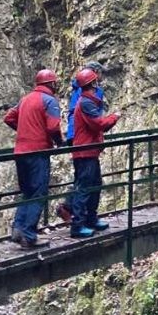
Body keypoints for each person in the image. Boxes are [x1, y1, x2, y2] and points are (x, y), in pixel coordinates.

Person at [3, 69, 64, 248]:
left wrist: (24, 131)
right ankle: (29, 236)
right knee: (38, 193)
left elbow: (9, 118)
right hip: (38, 152)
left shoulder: (25, 99)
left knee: (27, 192)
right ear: (51, 84)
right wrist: (59, 142)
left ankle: (18, 229)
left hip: (20, 152)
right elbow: (53, 127)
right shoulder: (49, 100)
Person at [70, 67, 121, 238]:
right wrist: (114, 117)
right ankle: (77, 225)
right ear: (93, 82)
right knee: (84, 188)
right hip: (85, 152)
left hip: (89, 151)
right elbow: (99, 124)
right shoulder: (86, 103)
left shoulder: (87, 101)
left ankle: (90, 218)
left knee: (94, 185)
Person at [57, 61, 106, 222]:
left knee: (83, 178)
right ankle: (77, 215)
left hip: (76, 135)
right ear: (94, 74)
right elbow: (96, 118)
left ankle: (75, 210)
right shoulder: (89, 92)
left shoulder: (77, 89)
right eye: (99, 74)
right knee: (87, 179)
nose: (100, 78)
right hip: (85, 138)